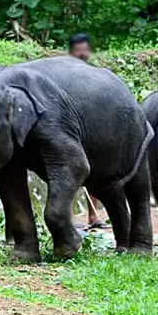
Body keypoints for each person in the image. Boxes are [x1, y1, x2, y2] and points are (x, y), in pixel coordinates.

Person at [68, 33, 109, 230]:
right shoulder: (65, 73)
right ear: (71, 52)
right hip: (71, 130)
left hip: (92, 130)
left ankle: (93, 216)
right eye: (79, 51)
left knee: (95, 172)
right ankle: (68, 216)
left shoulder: (93, 73)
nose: (83, 54)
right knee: (68, 173)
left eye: (85, 51)